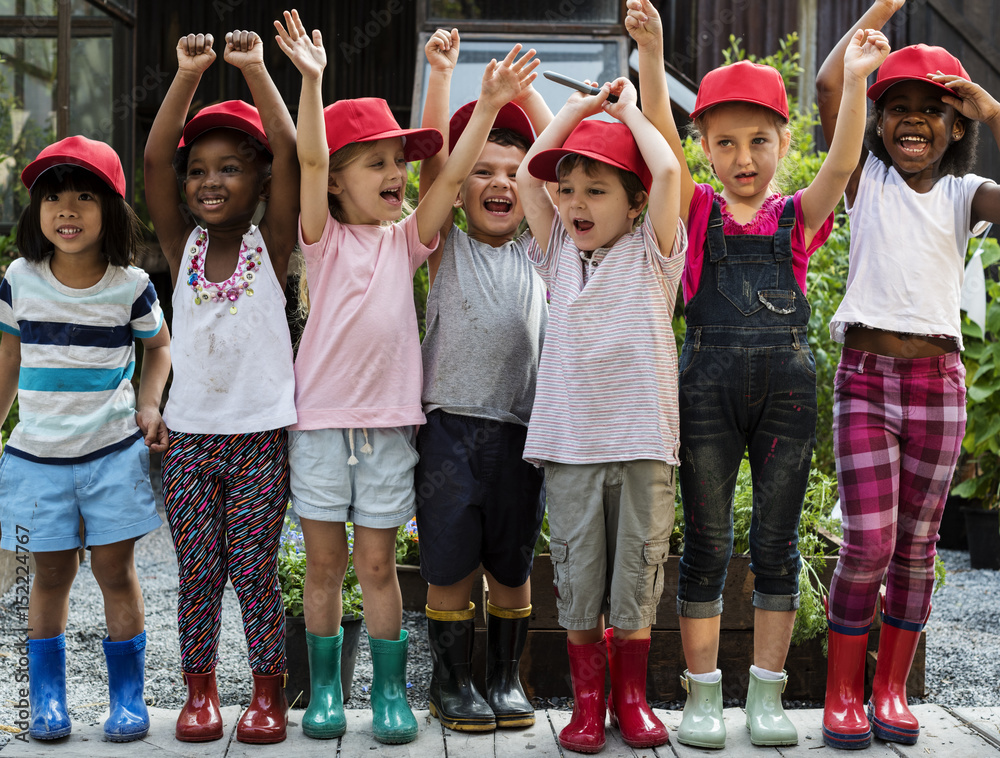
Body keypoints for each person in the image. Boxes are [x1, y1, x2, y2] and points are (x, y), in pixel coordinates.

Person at [624, 0, 891, 748]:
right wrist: (652, 54)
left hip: (787, 398)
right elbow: (663, 156)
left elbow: (842, 162)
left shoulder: (796, 221)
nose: (745, 158)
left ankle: (765, 699)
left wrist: (860, 82)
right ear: (706, 147)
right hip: (705, 390)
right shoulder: (695, 212)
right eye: (727, 142)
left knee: (775, 544)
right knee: (707, 544)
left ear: (781, 144)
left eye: (760, 141)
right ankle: (704, 698)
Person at [274, 9, 538, 744]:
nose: (395, 175)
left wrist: (481, 103)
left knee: (381, 566)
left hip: (392, 429)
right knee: (324, 568)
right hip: (323, 428)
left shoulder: (407, 244)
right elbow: (314, 163)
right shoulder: (320, 241)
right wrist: (313, 79)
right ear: (339, 185)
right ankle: (325, 692)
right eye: (377, 163)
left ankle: (390, 693)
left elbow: (446, 172)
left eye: (399, 162)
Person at [817, 0, 1000, 749]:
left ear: (957, 125)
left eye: (934, 108)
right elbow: (832, 91)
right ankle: (840, 694)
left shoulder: (967, 197)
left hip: (939, 387)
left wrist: (991, 105)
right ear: (880, 121)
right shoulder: (868, 183)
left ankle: (890, 689)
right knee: (867, 543)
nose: (914, 120)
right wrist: (874, 21)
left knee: (918, 545)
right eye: (898, 108)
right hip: (865, 379)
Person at [516, 61, 686, 749]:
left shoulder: (654, 252)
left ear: (635, 203)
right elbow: (530, 172)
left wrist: (627, 115)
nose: (576, 202)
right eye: (569, 190)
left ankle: (633, 701)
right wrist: (578, 110)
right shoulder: (556, 250)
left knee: (636, 580)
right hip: (571, 447)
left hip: (643, 444)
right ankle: (588, 706)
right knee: (580, 582)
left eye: (596, 190)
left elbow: (669, 172)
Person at [143, 27, 300, 745]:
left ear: (261, 179)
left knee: (254, 572)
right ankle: (200, 693)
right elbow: (152, 159)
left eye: (231, 167)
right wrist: (188, 76)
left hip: (260, 440)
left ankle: (268, 696)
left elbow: (293, 149)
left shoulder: (276, 242)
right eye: (200, 169)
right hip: (188, 443)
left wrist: (255, 71)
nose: (210, 181)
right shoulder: (185, 246)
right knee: (199, 574)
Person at [0, 136, 171, 742]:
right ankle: (47, 702)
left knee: (116, 572)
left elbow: (159, 348)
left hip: (112, 454)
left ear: (113, 210)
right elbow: (8, 356)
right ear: (36, 212)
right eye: (52, 198)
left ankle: (128, 701)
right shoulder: (20, 279)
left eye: (83, 197)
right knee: (46, 576)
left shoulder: (130, 285)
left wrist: (150, 404)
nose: (66, 210)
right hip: (35, 458)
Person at [415, 27, 551, 733]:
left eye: (514, 171)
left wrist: (521, 96)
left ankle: (505, 677)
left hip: (522, 429)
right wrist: (444, 74)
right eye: (485, 170)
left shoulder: (544, 246)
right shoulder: (447, 247)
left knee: (512, 555)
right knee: (448, 557)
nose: (500, 183)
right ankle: (451, 680)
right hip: (449, 427)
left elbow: (557, 157)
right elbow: (436, 165)